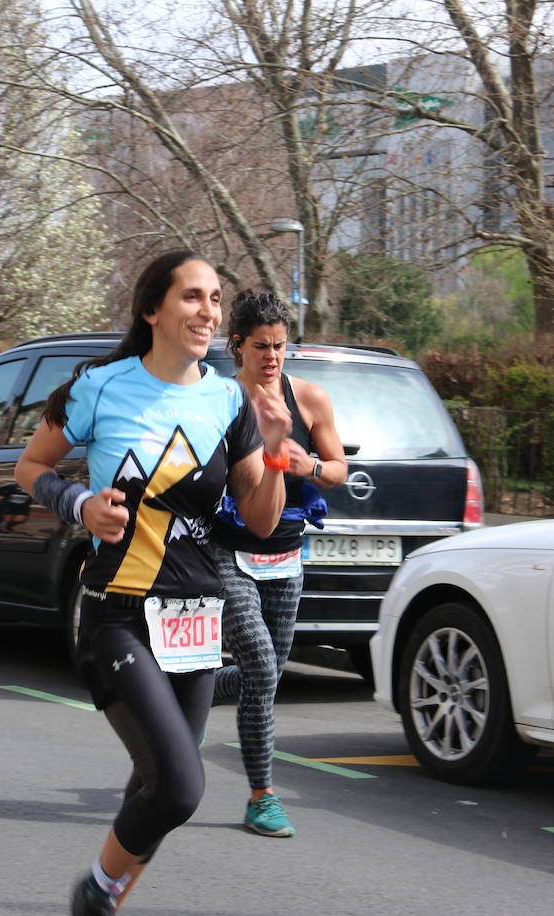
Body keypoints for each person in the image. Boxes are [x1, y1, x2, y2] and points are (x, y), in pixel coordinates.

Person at [16, 251, 292, 915]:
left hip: (195, 622)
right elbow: (30, 467)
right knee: (179, 788)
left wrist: (279, 452)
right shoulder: (101, 387)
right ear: (153, 310)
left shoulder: (230, 399)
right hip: (117, 614)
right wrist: (79, 504)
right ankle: (96, 893)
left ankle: (105, 899)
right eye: (193, 297)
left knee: (154, 783)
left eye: (216, 299)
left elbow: (259, 519)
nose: (209, 311)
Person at [210, 290, 346, 838]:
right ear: (237, 346)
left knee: (262, 676)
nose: (271, 357)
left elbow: (338, 468)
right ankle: (262, 796)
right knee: (263, 670)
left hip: (287, 556)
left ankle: (194, 688)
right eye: (261, 347)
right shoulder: (217, 401)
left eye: (280, 346)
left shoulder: (310, 398)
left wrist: (308, 464)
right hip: (227, 552)